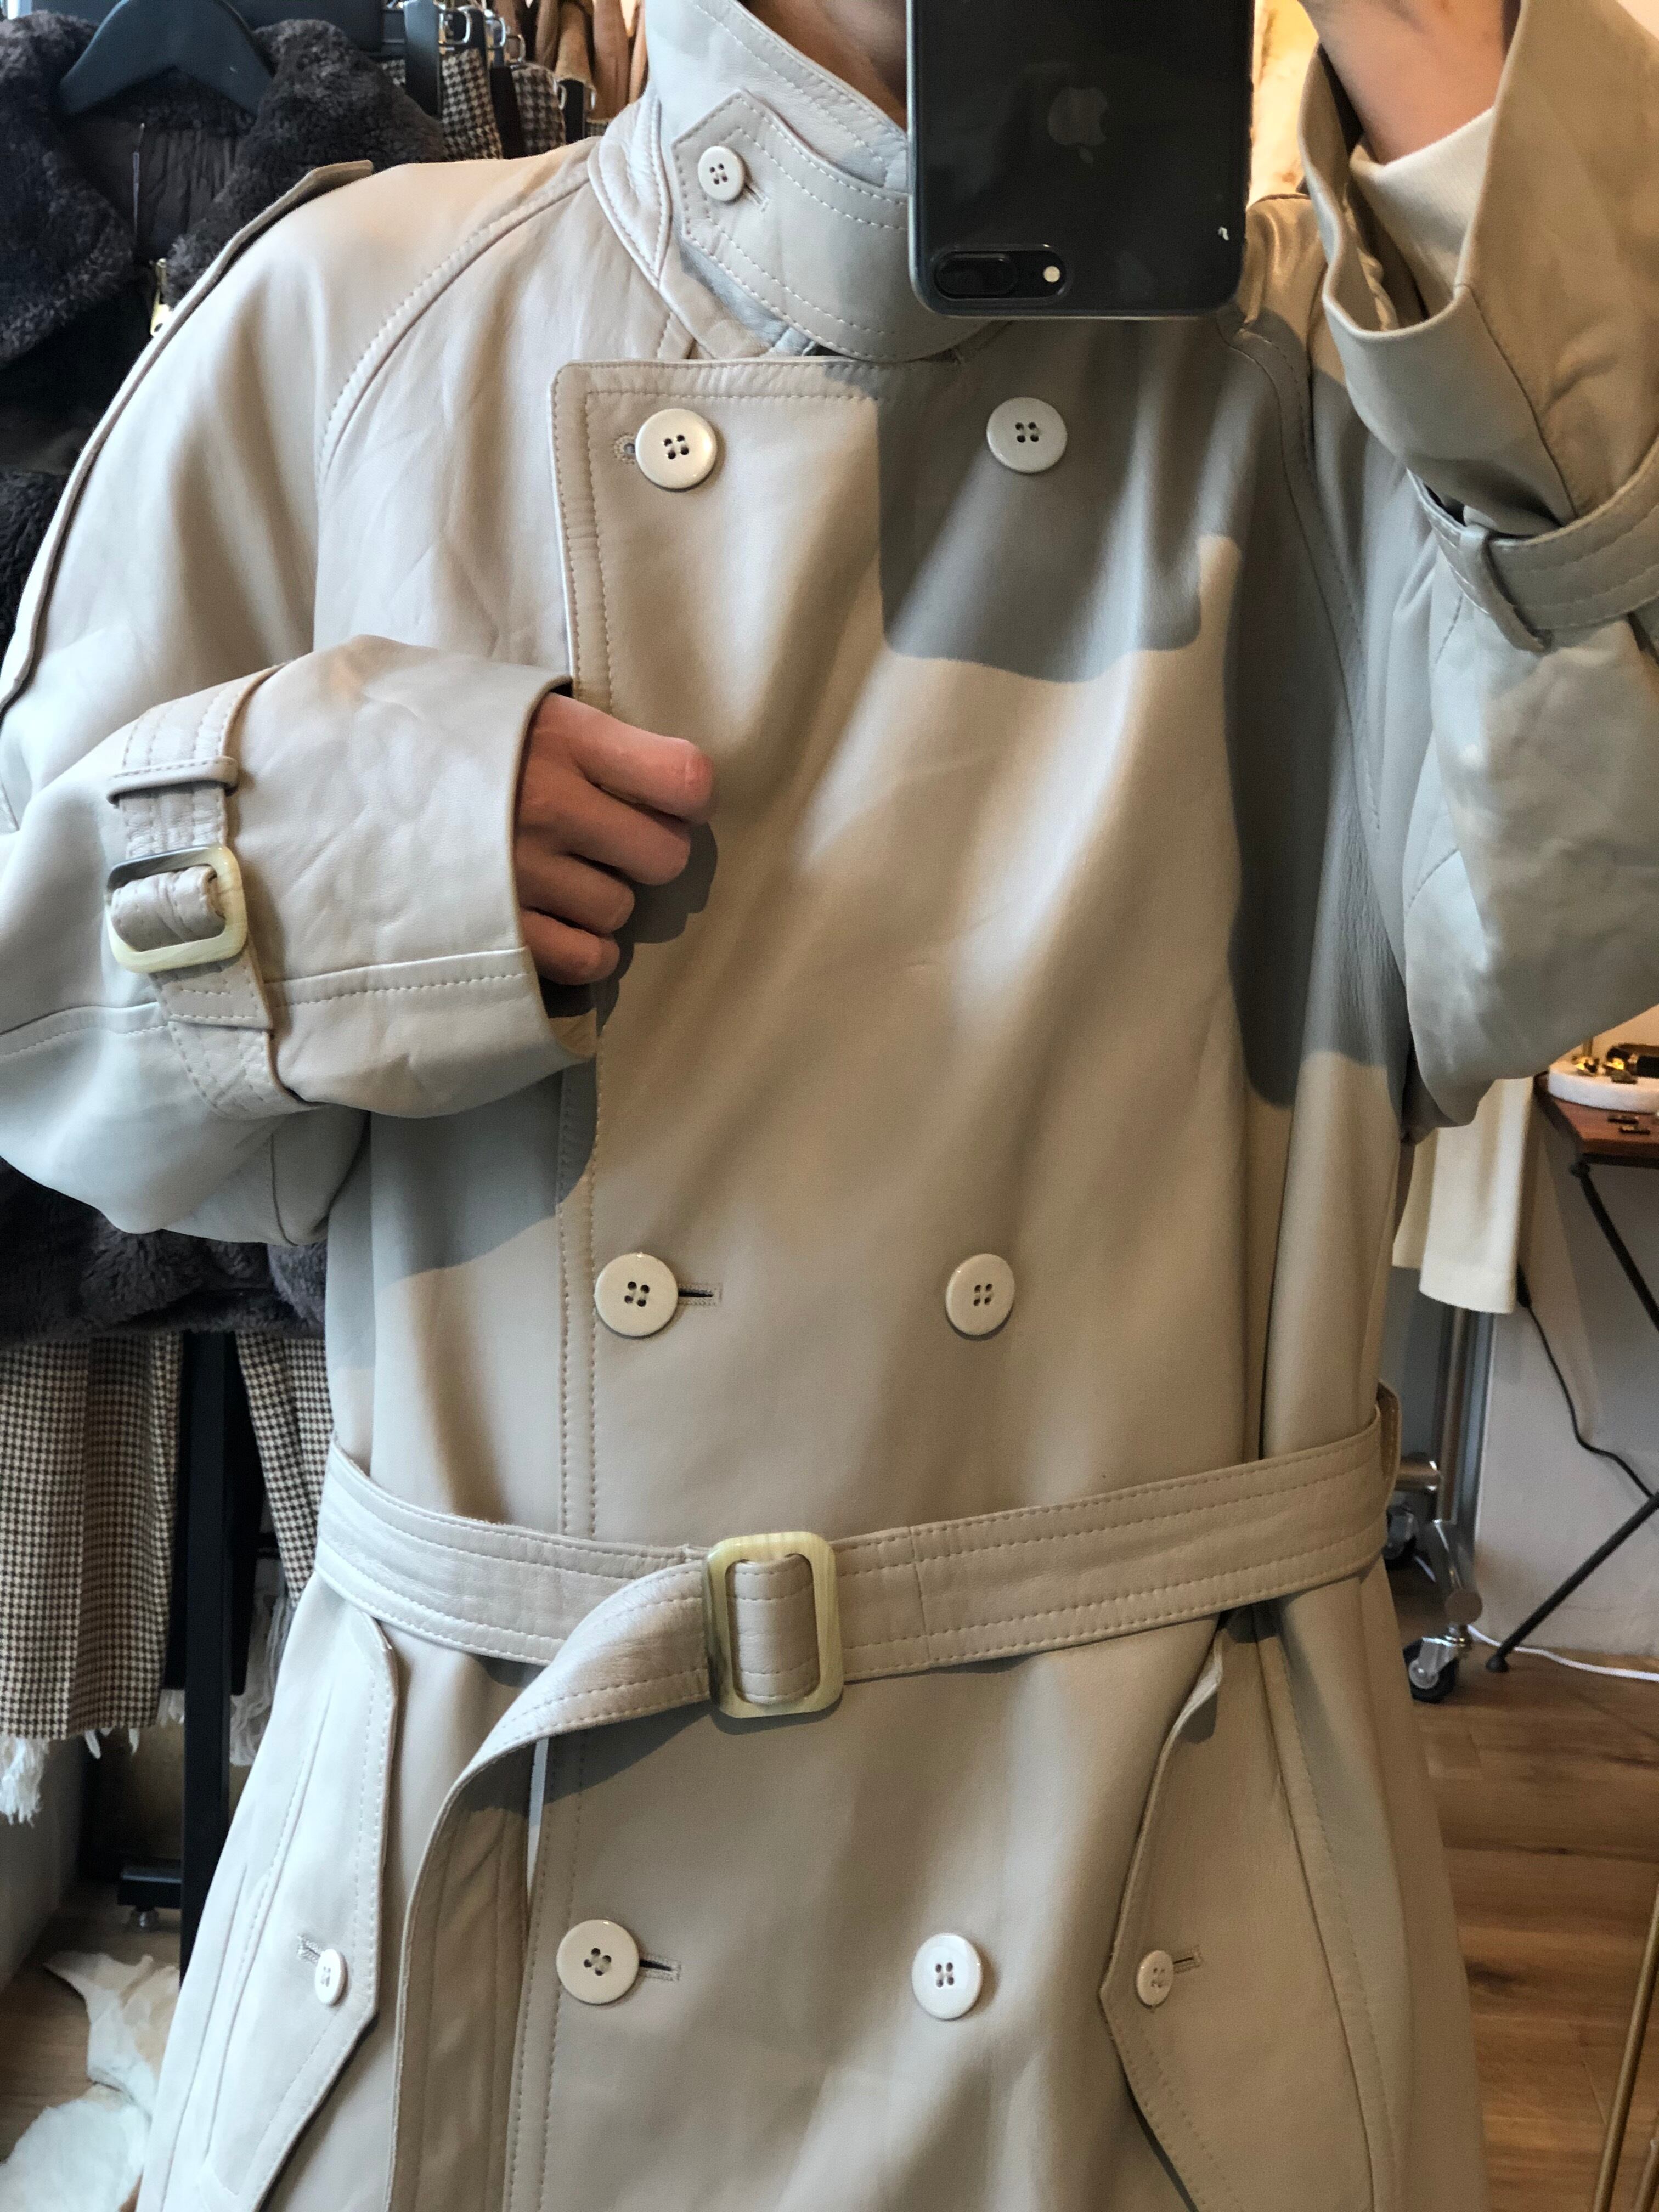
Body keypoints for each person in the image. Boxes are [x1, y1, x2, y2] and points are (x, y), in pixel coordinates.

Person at [1, 0, 1656, 2202]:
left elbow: (1585, 910)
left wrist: (1467, 94)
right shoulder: (358, 314)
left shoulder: (1356, 385)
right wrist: (357, 857)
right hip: (493, 1893)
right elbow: (44, 1049)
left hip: (1138, 1917)